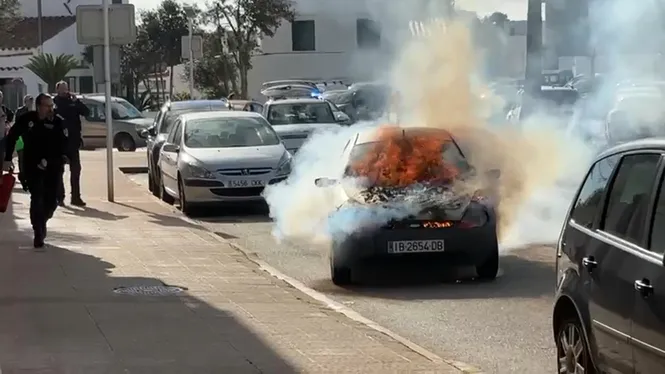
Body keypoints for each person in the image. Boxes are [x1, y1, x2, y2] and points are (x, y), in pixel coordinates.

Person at [2, 93, 69, 248]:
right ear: (39, 106)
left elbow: (64, 144)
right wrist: (7, 159)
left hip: (53, 166)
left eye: (52, 106)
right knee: (37, 197)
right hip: (32, 165)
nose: (51, 109)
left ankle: (42, 220)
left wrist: (57, 159)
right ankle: (38, 231)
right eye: (48, 106)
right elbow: (12, 136)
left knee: (53, 199)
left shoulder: (58, 122)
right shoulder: (27, 119)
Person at [53, 81, 89, 207]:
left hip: (73, 141)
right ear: (57, 90)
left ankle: (75, 197)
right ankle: (59, 197)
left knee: (76, 170)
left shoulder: (73, 101)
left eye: (66, 88)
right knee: (59, 170)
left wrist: (77, 102)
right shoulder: (53, 103)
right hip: (59, 142)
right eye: (62, 89)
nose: (64, 91)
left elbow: (86, 112)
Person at [15, 95, 34, 190]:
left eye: (31, 101)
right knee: (22, 159)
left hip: (31, 139)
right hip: (21, 138)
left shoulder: (35, 111)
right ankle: (22, 176)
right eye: (28, 101)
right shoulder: (20, 111)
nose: (30, 103)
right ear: (25, 101)